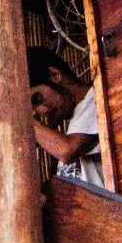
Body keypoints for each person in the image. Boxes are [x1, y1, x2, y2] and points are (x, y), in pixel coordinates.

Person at [29, 47, 109, 189]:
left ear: (54, 75)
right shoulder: (75, 125)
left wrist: (25, 121)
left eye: (37, 99)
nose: (41, 110)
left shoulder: (96, 99)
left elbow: (66, 151)